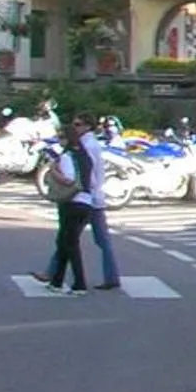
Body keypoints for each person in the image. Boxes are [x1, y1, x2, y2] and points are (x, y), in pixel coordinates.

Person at [37, 117, 96, 293]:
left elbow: (69, 180)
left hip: (72, 203)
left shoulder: (67, 157)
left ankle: (80, 284)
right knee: (64, 242)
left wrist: (54, 171)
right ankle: (56, 281)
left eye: (61, 137)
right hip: (87, 202)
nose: (60, 141)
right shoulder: (85, 156)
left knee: (70, 245)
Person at [80, 113, 122, 291]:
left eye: (78, 124)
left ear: (87, 126)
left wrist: (83, 190)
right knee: (102, 241)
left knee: (68, 237)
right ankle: (112, 276)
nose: (75, 128)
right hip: (95, 198)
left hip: (87, 198)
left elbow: (88, 173)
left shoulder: (87, 145)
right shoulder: (93, 143)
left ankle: (51, 273)